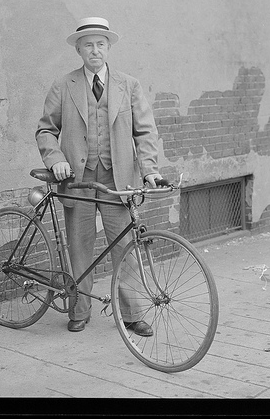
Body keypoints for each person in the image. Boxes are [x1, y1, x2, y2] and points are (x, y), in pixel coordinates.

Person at [36, 17, 163, 334]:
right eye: (89, 45)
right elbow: (46, 130)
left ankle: (132, 314)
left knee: (125, 246)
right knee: (79, 246)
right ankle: (79, 310)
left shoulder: (128, 85)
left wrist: (149, 170)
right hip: (76, 180)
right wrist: (56, 160)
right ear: (78, 50)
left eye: (101, 44)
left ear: (108, 48)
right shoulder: (64, 85)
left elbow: (145, 133)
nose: (95, 50)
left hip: (116, 180)